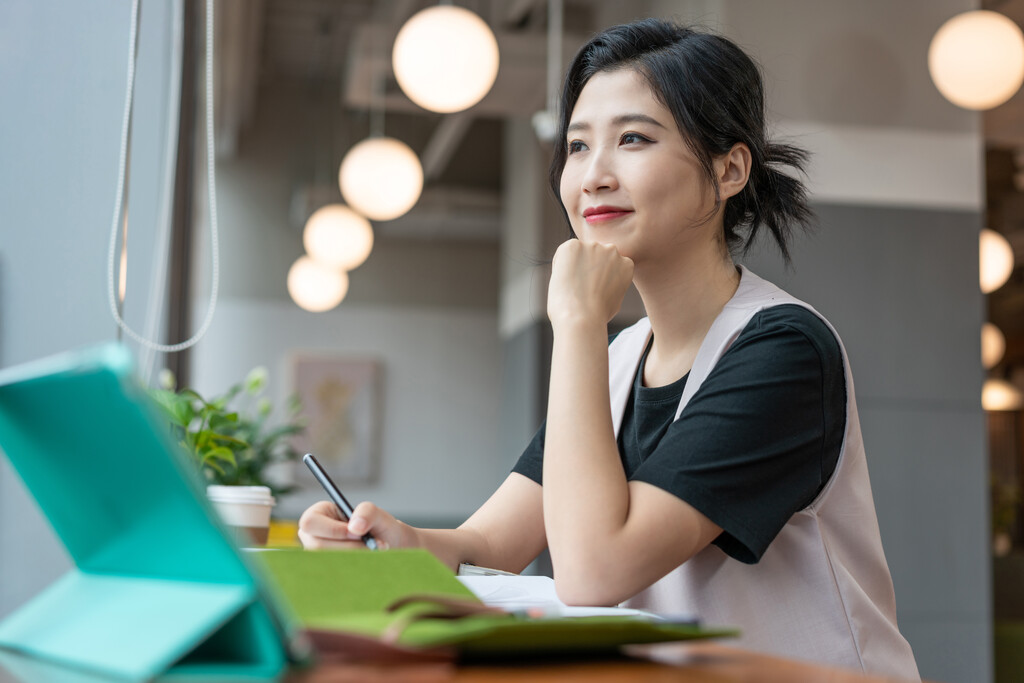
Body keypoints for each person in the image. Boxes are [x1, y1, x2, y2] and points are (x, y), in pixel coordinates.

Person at [299, 18, 920, 680]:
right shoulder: (624, 353)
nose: (592, 175)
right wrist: (404, 544)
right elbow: (491, 542)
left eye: (632, 139)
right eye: (576, 145)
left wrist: (575, 320)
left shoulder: (784, 349)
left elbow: (593, 569)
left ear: (730, 168)